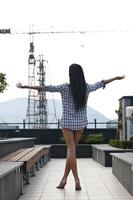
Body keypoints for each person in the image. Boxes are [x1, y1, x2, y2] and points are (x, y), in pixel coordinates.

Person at [16, 63, 125, 190]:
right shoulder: (86, 87)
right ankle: (64, 180)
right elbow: (101, 83)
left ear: (70, 75)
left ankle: (77, 180)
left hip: (67, 123)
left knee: (70, 151)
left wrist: (26, 86)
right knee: (71, 152)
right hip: (81, 123)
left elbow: (45, 88)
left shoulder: (64, 88)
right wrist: (116, 78)